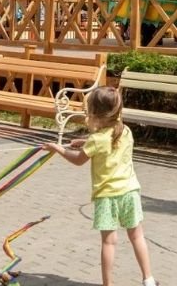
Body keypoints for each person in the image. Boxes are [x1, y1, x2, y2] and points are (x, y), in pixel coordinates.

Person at [42, 87, 158, 286]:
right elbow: (108, 142)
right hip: (130, 192)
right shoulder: (125, 131)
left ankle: (108, 284)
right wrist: (85, 142)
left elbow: (78, 160)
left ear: (95, 112)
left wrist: (58, 149)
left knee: (108, 242)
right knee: (137, 236)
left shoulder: (97, 140)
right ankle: (148, 279)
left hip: (107, 197)